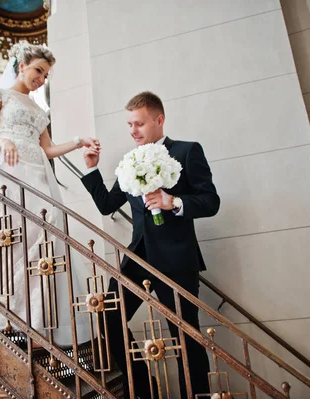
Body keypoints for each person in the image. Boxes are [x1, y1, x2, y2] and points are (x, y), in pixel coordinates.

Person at [82, 91, 220, 398]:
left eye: (140, 123)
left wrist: (174, 202)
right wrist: (92, 168)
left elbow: (211, 201)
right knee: (109, 317)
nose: (133, 131)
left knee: (185, 335)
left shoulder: (186, 151)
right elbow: (107, 204)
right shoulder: (129, 161)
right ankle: (145, 391)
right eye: (130, 124)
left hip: (177, 258)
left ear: (159, 120)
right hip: (139, 257)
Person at [0, 41, 99, 346]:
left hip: (36, 173)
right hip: (7, 169)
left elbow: (49, 149)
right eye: (39, 70)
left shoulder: (39, 109)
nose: (42, 79)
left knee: (41, 236)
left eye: (46, 75)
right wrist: (4, 143)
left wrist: (79, 141)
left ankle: (33, 318)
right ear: (22, 65)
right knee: (9, 235)